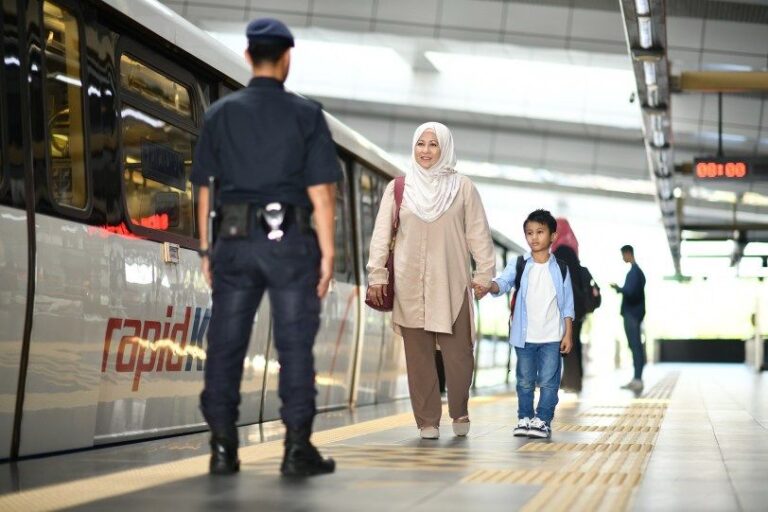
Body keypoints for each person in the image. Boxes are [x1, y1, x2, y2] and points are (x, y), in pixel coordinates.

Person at [190, 18, 340, 477]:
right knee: (295, 345)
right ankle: (297, 449)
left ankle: (222, 447)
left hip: (232, 242)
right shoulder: (307, 114)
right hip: (291, 242)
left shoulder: (220, 113)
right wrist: (328, 253)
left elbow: (204, 189)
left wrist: (205, 249)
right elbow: (321, 193)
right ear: (287, 58)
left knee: (226, 343)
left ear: (248, 55)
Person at [366, 122, 495, 440]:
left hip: (451, 283)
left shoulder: (463, 187)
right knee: (418, 356)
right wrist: (377, 274)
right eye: (420, 143)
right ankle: (427, 420)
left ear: (445, 148)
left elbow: (479, 234)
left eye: (433, 144)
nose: (425, 150)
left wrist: (483, 275)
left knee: (460, 355)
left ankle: (459, 409)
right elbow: (381, 236)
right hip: (410, 283)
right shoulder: (398, 188)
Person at [477, 209, 574, 440]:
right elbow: (503, 283)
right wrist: (488, 286)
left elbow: (568, 307)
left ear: (552, 236)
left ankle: (542, 420)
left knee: (550, 384)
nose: (534, 237)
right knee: (524, 382)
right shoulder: (519, 263)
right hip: (524, 337)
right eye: (529, 232)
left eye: (540, 232)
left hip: (551, 337)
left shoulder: (560, 268)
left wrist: (567, 334)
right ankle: (525, 418)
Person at [550, 218, 584, 392]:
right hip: (577, 305)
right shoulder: (572, 250)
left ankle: (571, 383)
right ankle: (572, 381)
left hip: (567, 304)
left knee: (566, 342)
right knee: (573, 341)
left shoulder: (561, 251)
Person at [610, 245, 646, 391]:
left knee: (636, 346)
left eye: (623, 255)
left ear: (628, 253)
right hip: (634, 314)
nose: (622, 258)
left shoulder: (634, 273)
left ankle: (638, 379)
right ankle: (636, 378)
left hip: (632, 314)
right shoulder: (636, 272)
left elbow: (631, 293)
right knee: (634, 346)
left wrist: (619, 289)